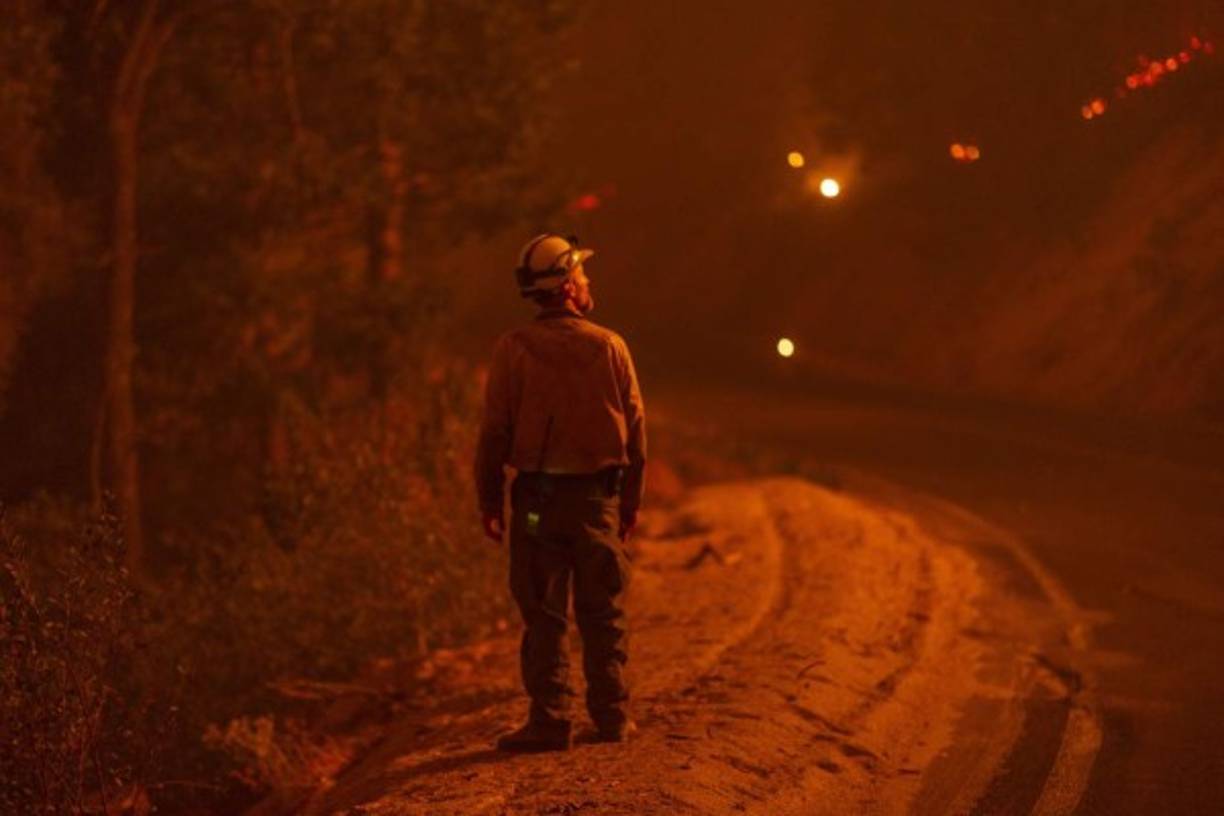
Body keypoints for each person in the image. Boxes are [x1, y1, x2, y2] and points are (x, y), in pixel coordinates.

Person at [475, 233, 646, 752]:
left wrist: (490, 503)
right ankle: (611, 716)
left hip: (537, 506)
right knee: (602, 612)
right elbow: (636, 433)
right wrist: (630, 502)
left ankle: (551, 721)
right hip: (598, 500)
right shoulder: (610, 346)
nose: (588, 283)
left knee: (544, 614)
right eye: (583, 276)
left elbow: (494, 434)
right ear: (569, 285)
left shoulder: (513, 350)